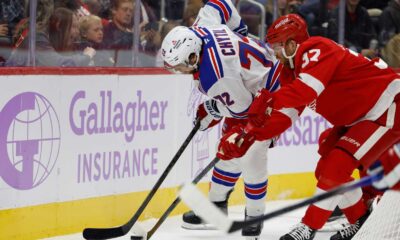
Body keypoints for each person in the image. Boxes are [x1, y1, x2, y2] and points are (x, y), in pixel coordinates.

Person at [217, 13, 400, 240]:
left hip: (388, 108)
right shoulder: (290, 71)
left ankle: (308, 228)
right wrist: (248, 135)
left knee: (336, 165)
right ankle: (360, 219)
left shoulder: (317, 48)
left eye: (277, 46)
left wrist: (271, 102)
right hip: (360, 117)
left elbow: (306, 90)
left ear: (292, 44)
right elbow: (285, 117)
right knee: (325, 167)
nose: (274, 53)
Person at [160, 0, 296, 239]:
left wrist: (213, 108)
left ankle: (255, 215)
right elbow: (219, 4)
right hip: (252, 82)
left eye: (180, 65)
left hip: (272, 93)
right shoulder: (202, 28)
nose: (177, 71)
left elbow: (244, 111)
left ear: (193, 57)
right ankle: (215, 207)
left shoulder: (216, 76)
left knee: (251, 153)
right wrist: (240, 32)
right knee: (228, 147)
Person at [6, 7, 96, 66]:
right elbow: (60, 64)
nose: (77, 32)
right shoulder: (38, 39)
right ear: (58, 25)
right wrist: (86, 56)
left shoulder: (50, 41)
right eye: (74, 26)